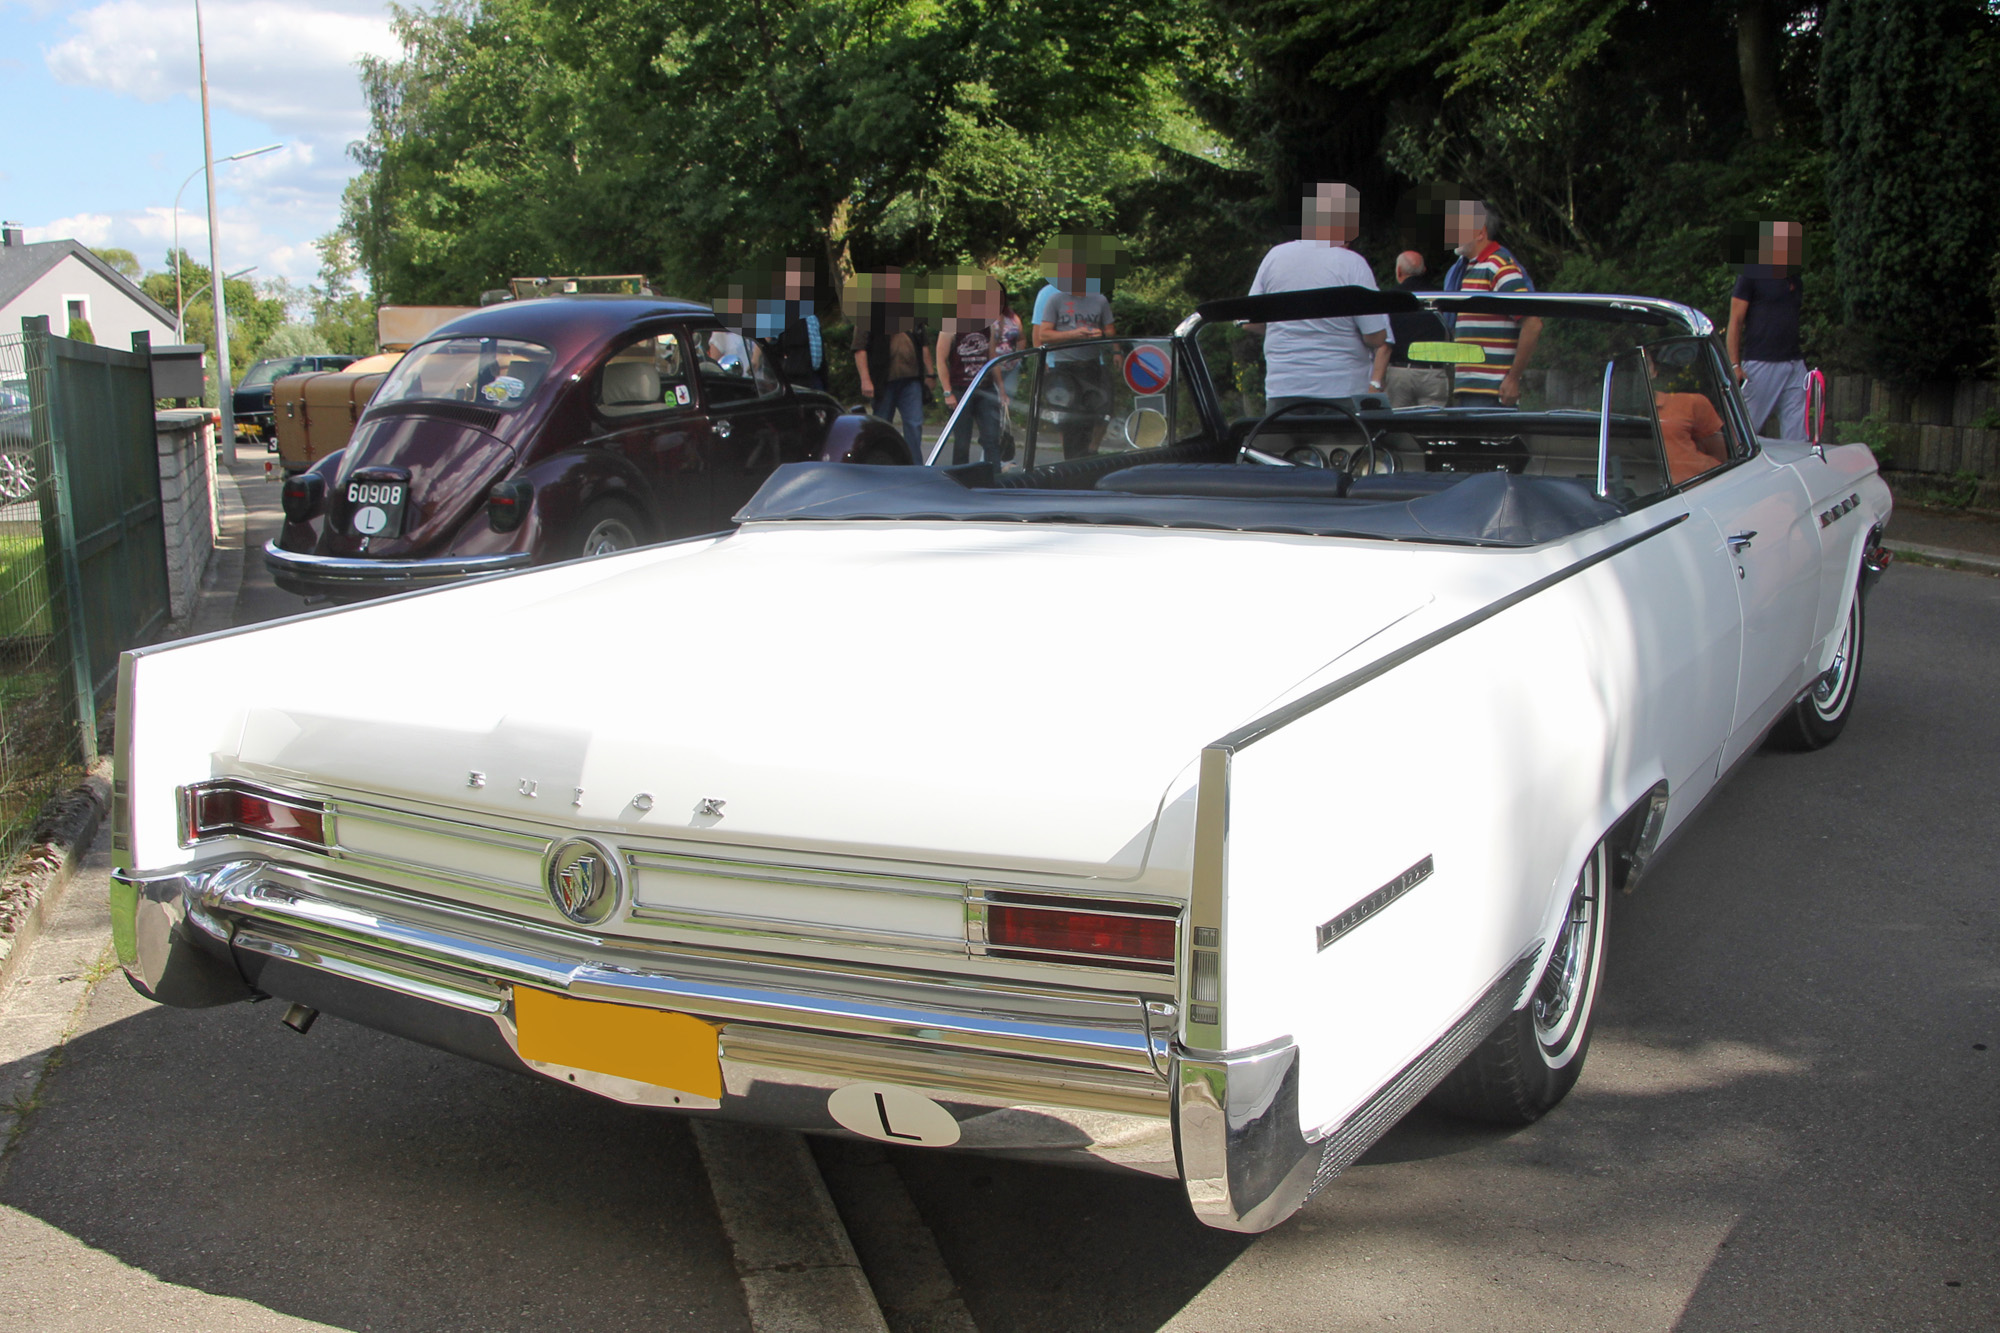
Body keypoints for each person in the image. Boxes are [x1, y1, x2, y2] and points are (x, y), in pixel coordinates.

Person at [1245, 183, 1391, 407]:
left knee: (1287, 442)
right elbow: (1375, 336)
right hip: (1341, 389)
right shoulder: (1352, 263)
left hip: (1283, 388)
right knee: (1342, 442)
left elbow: (1250, 322)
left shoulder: (1275, 257)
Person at [1442, 200, 1541, 407]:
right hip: (1473, 388)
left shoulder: (1498, 266)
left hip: (1491, 391)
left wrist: (1513, 379)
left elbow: (1532, 324)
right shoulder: (1468, 269)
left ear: (1480, 233)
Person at [1034, 236, 1119, 459]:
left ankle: (1087, 460)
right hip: (1064, 367)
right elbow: (1043, 334)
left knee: (1094, 416)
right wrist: (1073, 334)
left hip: (1091, 366)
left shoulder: (1099, 299)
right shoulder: (1054, 299)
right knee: (1069, 421)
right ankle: (1071, 464)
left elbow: (1110, 330)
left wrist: (1103, 336)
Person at [1727, 220, 1806, 437]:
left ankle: (1795, 466)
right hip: (1762, 361)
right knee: (1745, 430)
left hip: (1794, 362)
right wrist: (1735, 364)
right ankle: (1732, 467)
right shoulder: (1751, 275)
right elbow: (1735, 320)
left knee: (1798, 431)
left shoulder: (1795, 279)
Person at [849, 270, 934, 460]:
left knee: (914, 424)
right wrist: (865, 380)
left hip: (911, 380)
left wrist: (930, 374)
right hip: (883, 380)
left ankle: (914, 465)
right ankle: (880, 463)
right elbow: (859, 349)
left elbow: (924, 346)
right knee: (881, 425)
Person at [936, 273, 1005, 465]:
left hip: (984, 388)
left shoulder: (986, 325)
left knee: (991, 438)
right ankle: (961, 480)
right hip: (960, 389)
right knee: (962, 441)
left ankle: (994, 478)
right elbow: (941, 360)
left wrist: (1001, 389)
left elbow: (992, 358)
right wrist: (947, 391)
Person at [1383, 250, 1450, 408]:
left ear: (1398, 271)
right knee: (1429, 428)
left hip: (1399, 372)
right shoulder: (1440, 298)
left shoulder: (1389, 298)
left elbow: (1384, 340)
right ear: (1424, 271)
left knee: (1396, 427)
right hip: (1433, 372)